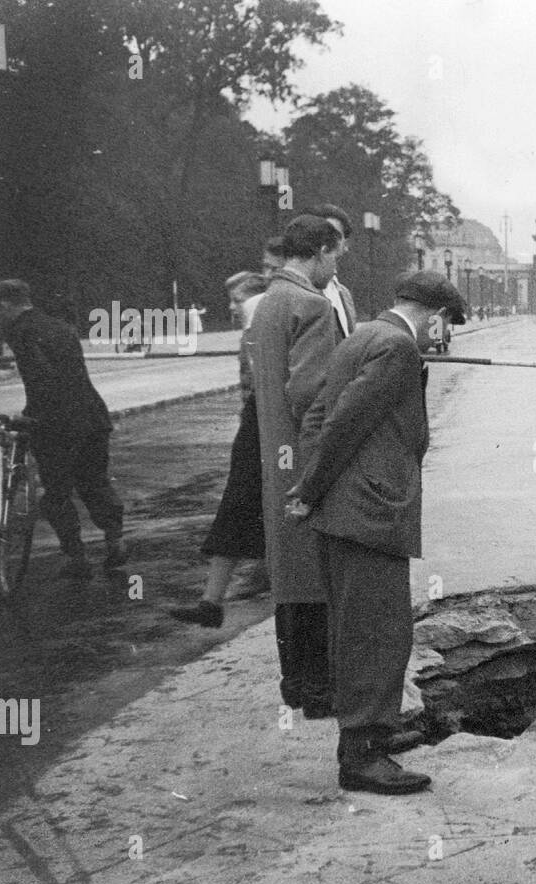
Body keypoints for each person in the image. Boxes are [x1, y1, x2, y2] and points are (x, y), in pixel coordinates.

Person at [287, 270, 465, 794]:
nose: (446, 335)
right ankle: (362, 756)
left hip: (349, 509)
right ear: (431, 315)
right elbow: (342, 423)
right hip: (369, 513)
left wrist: (312, 485)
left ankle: (373, 732)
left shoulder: (362, 335)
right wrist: (312, 490)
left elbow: (317, 414)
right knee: (378, 630)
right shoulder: (397, 348)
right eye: (447, 324)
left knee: (358, 625)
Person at [249, 215, 344, 718]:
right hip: (304, 460)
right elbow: (312, 396)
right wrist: (322, 469)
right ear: (321, 251)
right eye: (335, 257)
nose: (335, 268)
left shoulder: (268, 302)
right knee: (315, 573)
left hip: (275, 456)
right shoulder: (311, 305)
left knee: (289, 572)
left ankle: (296, 681)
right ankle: (318, 687)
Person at [0, 279, 127, 579]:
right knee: (95, 482)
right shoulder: (59, 326)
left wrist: (31, 416)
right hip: (92, 417)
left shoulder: (20, 332)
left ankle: (77, 558)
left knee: (57, 493)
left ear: (5, 305)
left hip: (56, 424)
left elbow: (43, 378)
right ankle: (116, 539)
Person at [169, 252, 279, 629]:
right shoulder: (254, 326)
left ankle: (219, 602)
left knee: (246, 508)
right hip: (257, 424)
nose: (231, 308)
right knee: (242, 510)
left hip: (267, 427)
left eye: (235, 300)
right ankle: (213, 601)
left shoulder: (262, 319)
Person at [302, 204, 357, 340]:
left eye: (335, 236)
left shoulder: (344, 294)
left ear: (345, 245)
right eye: (321, 234)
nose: (327, 241)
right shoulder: (301, 289)